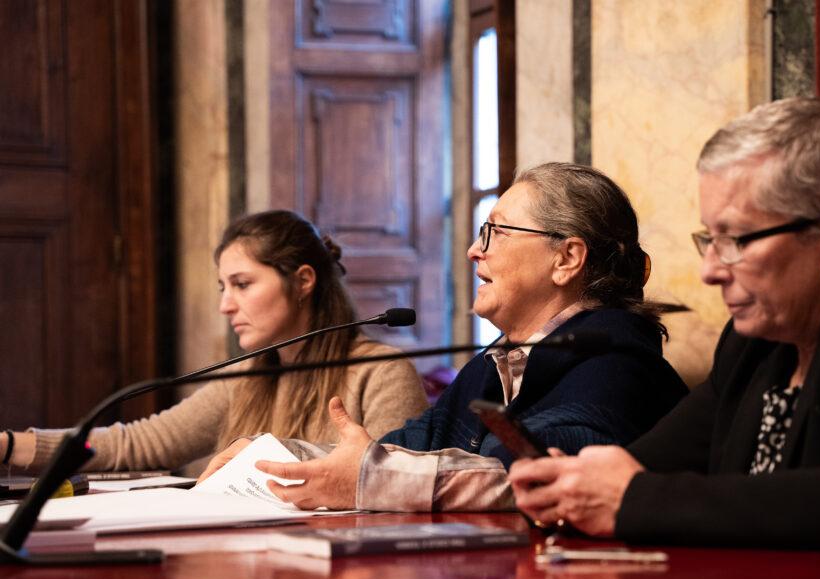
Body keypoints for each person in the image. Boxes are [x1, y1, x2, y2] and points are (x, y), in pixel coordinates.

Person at [510, 97, 820, 559]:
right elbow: (642, 466)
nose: (711, 268)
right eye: (709, 239)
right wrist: (570, 483)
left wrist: (631, 499)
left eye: (735, 239)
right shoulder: (757, 342)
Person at [201, 163, 688, 511]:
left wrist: (372, 478)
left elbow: (534, 479)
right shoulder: (496, 364)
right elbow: (405, 449)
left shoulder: (617, 364)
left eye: (496, 232)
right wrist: (275, 457)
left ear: (566, 259)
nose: (476, 250)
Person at [1, 210, 428, 473]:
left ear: (302, 281)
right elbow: (143, 444)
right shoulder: (250, 373)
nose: (226, 305)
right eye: (222, 287)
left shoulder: (382, 372)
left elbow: (391, 486)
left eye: (242, 285)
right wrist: (10, 447)